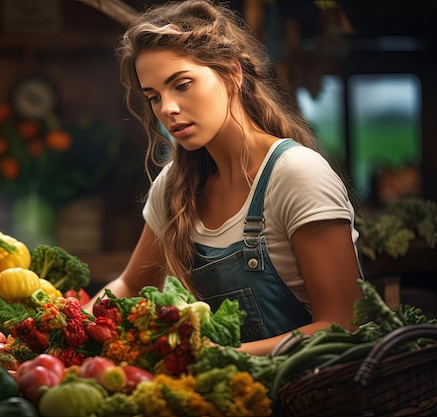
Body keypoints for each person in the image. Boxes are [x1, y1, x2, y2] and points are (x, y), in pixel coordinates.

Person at [85, 0, 364, 355]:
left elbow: (344, 325)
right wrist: (68, 328)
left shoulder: (295, 174)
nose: (167, 108)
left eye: (182, 84)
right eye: (154, 97)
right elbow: (129, 284)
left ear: (232, 73)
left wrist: (211, 359)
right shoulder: (174, 185)